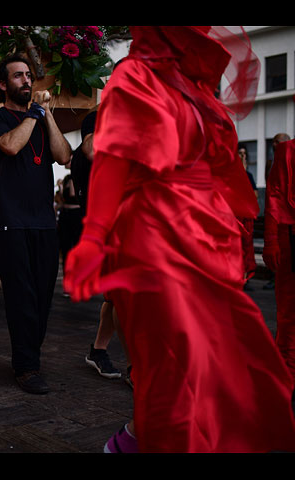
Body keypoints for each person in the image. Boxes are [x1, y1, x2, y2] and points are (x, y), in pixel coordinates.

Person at [64, 26, 295, 453]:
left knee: (218, 355)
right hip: (151, 235)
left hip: (205, 235)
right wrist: (94, 238)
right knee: (174, 356)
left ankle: (138, 439)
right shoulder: (134, 75)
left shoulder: (197, 88)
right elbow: (113, 158)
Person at [0, 53, 71, 394]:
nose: (27, 81)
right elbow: (11, 146)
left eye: (29, 76)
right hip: (12, 223)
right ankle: (26, 366)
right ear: (3, 85)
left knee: (44, 297)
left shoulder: (41, 118)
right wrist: (33, 114)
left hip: (45, 223)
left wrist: (46, 114)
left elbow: (64, 156)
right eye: (18, 76)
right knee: (21, 297)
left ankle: (31, 357)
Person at [69, 110, 125, 381]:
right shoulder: (86, 151)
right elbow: (91, 149)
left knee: (116, 298)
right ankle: (138, 364)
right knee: (122, 298)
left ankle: (98, 350)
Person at [263, 135, 295, 382]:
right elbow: (274, 195)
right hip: (290, 238)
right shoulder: (287, 153)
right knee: (289, 312)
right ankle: (286, 374)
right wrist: (272, 238)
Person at [237, 144, 258, 290]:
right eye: (240, 153)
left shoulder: (248, 175)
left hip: (246, 215)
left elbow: (255, 194)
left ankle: (245, 278)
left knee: (246, 247)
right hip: (235, 215)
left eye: (244, 154)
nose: (242, 156)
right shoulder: (232, 173)